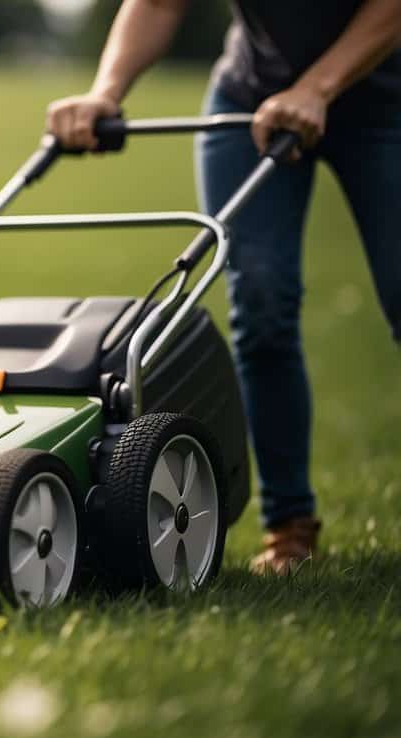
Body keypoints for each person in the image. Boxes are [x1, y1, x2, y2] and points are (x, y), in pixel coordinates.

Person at [46, 0, 401, 574]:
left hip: (386, 101)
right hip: (250, 99)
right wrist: (106, 92)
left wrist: (316, 87)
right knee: (261, 303)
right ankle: (289, 529)